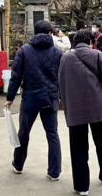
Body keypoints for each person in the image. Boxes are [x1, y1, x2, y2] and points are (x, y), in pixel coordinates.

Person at [59, 29, 102, 196]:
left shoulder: (65, 58)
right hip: (97, 106)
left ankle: (82, 186)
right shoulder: (97, 55)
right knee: (101, 140)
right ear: (91, 42)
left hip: (75, 108)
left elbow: (61, 82)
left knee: (78, 146)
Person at [5, 20, 62, 181]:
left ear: (34, 32)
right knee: (52, 133)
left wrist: (10, 97)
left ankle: (18, 164)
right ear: (50, 33)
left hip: (30, 96)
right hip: (51, 97)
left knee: (24, 132)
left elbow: (16, 76)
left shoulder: (24, 50)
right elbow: (61, 76)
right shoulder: (57, 52)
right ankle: (54, 171)